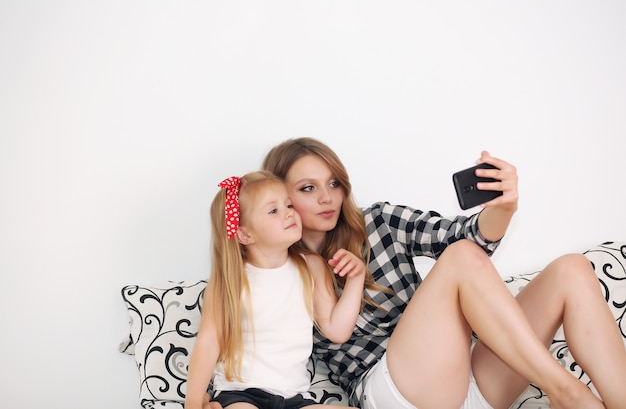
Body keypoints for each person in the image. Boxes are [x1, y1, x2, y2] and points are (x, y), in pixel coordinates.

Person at [262, 137, 626, 409]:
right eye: (308, 188)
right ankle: (569, 393)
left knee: (572, 269)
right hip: (395, 392)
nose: (327, 198)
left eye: (333, 183)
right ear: (282, 197)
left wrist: (505, 207)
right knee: (461, 258)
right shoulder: (281, 269)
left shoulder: (379, 222)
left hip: (465, 379)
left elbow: (464, 236)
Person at [184, 171, 366, 409]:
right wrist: (194, 402)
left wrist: (356, 277)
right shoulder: (232, 280)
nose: (289, 212)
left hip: (295, 399)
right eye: (273, 210)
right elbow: (209, 341)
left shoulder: (310, 266)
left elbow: (337, 331)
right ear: (245, 234)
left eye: (288, 204)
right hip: (241, 394)